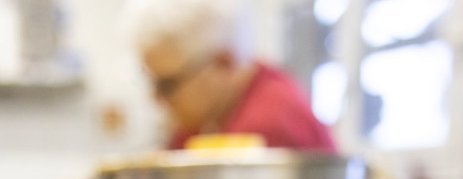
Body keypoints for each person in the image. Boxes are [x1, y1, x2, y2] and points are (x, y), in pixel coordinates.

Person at [124, 0, 338, 152]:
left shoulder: (266, 129)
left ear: (223, 63)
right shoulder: (216, 112)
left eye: (167, 85)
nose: (155, 98)